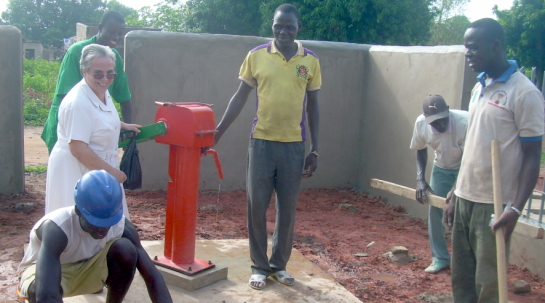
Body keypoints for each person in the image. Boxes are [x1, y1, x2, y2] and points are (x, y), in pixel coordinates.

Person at [213, 3, 321, 290]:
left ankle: (279, 265)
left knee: (287, 210)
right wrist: (218, 132)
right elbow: (240, 97)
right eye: (278, 26)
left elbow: (314, 107)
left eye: (289, 27)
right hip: (261, 143)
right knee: (256, 207)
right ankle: (259, 267)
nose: (283, 31)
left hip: (294, 147)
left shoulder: (308, 61)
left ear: (299, 29)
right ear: (272, 25)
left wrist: (315, 149)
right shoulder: (257, 56)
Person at [443, 18, 544, 302]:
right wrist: (454, 194)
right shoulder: (480, 86)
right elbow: (475, 144)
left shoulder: (524, 93)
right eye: (466, 48)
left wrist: (515, 209)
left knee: (488, 282)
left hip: (494, 204)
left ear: (495, 46)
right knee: (461, 279)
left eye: (473, 48)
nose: (467, 54)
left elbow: (532, 156)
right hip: (465, 197)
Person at [17, 170, 173, 303]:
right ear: (78, 211)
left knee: (126, 249)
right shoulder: (57, 228)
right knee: (36, 289)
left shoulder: (121, 225)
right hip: (48, 273)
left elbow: (153, 278)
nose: (102, 230)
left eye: (108, 222)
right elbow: (46, 295)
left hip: (87, 269)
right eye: (95, 223)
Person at [44, 44, 140, 217]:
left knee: (105, 222)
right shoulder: (77, 103)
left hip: (99, 168)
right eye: (98, 73)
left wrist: (120, 125)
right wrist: (113, 173)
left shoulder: (100, 91)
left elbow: (96, 117)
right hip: (78, 168)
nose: (105, 78)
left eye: (110, 73)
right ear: (84, 71)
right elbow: (79, 149)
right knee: (79, 222)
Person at [41, 10, 134, 154]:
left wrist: (128, 133)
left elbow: (124, 97)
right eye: (111, 32)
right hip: (68, 124)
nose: (116, 37)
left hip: (94, 125)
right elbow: (67, 97)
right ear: (100, 28)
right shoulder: (77, 51)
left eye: (119, 33)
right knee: (71, 168)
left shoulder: (114, 57)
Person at [410, 95, 467, 274]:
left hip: (466, 168)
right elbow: (419, 149)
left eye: (443, 120)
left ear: (448, 110)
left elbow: (470, 160)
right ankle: (440, 258)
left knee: (463, 211)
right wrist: (420, 180)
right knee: (435, 209)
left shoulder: (465, 123)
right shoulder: (421, 124)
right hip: (441, 167)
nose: (441, 125)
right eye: (435, 123)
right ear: (426, 118)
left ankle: (465, 263)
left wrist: (455, 189)